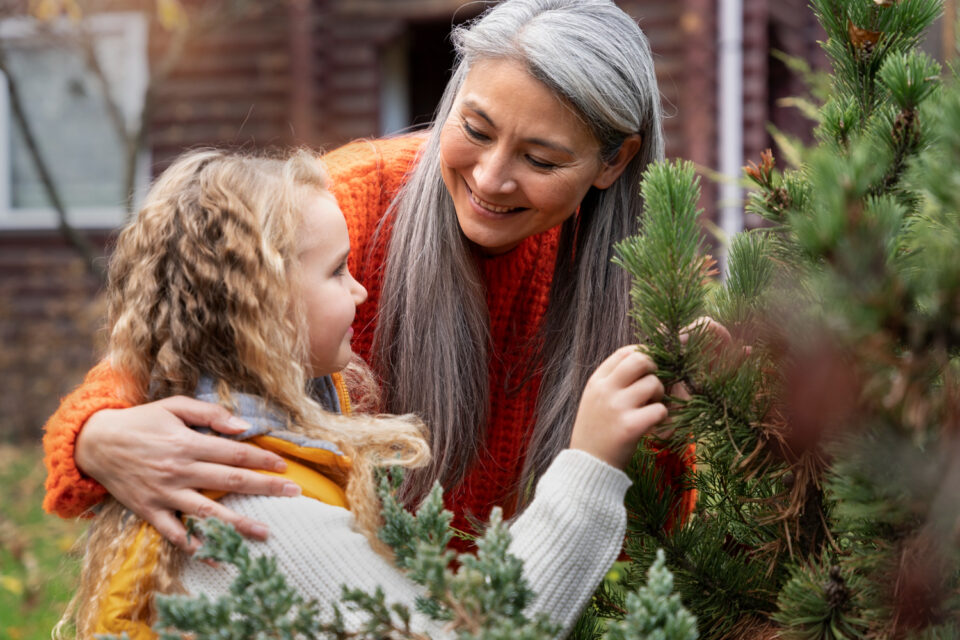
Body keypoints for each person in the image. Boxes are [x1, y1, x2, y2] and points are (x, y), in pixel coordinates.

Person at [41, 0, 695, 550]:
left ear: (613, 163)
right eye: (475, 128)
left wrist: (699, 418)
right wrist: (95, 439)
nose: (492, 178)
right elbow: (171, 341)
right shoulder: (350, 207)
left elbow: (666, 537)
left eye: (542, 159)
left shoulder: (642, 277)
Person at [57, 147, 668, 639]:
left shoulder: (228, 444)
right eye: (337, 272)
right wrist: (589, 466)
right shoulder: (259, 508)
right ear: (261, 307)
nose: (360, 292)